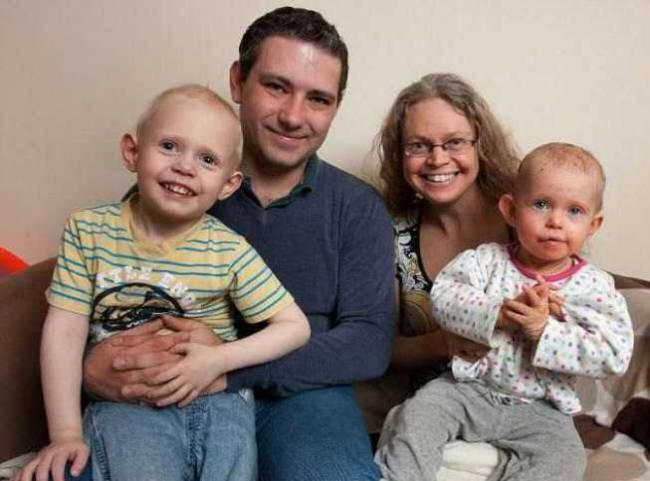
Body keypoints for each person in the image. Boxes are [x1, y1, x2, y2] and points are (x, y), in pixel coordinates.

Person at [77, 7, 395, 481]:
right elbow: (103, 300)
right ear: (237, 81)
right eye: (276, 87)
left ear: (336, 107)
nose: (293, 116)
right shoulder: (174, 188)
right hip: (174, 390)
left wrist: (225, 369)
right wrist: (91, 369)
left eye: (318, 99)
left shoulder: (357, 207)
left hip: (302, 394)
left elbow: (368, 343)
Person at [15, 85, 311, 481]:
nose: (185, 167)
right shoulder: (88, 231)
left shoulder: (228, 249)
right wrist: (65, 434)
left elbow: (295, 327)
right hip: (129, 405)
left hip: (217, 401)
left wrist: (218, 360)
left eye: (207, 159)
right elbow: (64, 331)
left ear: (228, 184)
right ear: (132, 152)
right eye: (169, 146)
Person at [375, 142, 635, 481]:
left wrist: (544, 330)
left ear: (593, 224)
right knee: (415, 416)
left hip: (541, 408)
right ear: (511, 210)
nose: (555, 221)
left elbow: (613, 355)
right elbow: (444, 298)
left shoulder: (594, 287)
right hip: (467, 389)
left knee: (566, 459)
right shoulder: (486, 261)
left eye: (574, 211)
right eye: (541, 204)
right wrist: (497, 314)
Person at [358, 73, 520, 436]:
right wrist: (447, 343)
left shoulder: (523, 221)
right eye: (418, 146)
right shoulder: (390, 234)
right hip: (434, 415)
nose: (437, 158)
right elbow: (380, 348)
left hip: (524, 406)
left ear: (481, 145)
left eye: (455, 142)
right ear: (400, 154)